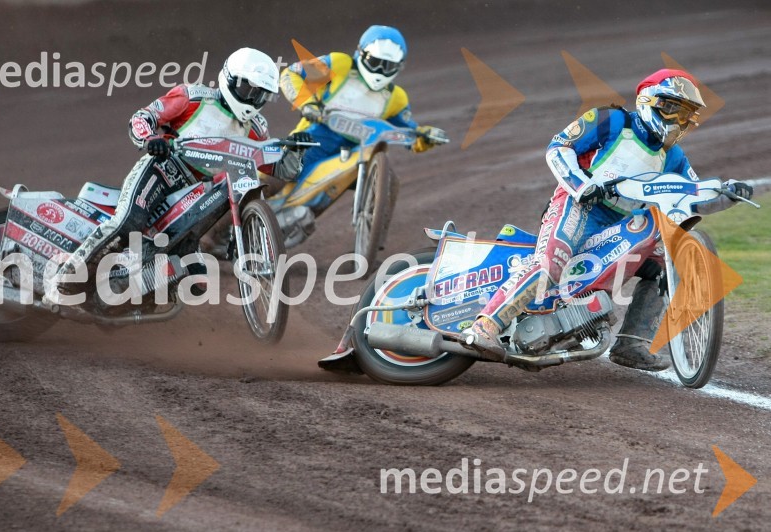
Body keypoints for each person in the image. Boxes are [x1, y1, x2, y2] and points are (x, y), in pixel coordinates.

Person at [467, 69, 753, 370]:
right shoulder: (612, 120)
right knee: (551, 262)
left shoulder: (673, 156)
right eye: (673, 109)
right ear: (649, 100)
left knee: (661, 266)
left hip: (620, 223)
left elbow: (693, 195)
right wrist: (582, 185)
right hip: (578, 206)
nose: (678, 121)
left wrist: (727, 193)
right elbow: (559, 147)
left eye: (685, 115)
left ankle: (631, 343)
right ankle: (485, 325)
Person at [47, 47, 307, 302]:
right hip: (163, 169)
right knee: (127, 223)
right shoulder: (193, 97)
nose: (252, 99)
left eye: (261, 94)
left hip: (200, 193)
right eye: (249, 89)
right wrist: (150, 139)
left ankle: (127, 293)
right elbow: (143, 117)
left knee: (196, 281)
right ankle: (69, 273)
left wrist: (296, 150)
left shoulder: (257, 128)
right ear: (230, 79)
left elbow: (278, 168)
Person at [273, 24, 448, 247]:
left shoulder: (396, 98)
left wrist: (425, 136)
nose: (380, 71)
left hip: (359, 152)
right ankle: (243, 206)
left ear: (398, 67)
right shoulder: (340, 64)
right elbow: (292, 74)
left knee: (388, 182)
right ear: (361, 54)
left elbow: (409, 133)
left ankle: (372, 243)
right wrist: (307, 104)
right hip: (317, 136)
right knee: (280, 169)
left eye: (387, 66)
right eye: (375, 63)